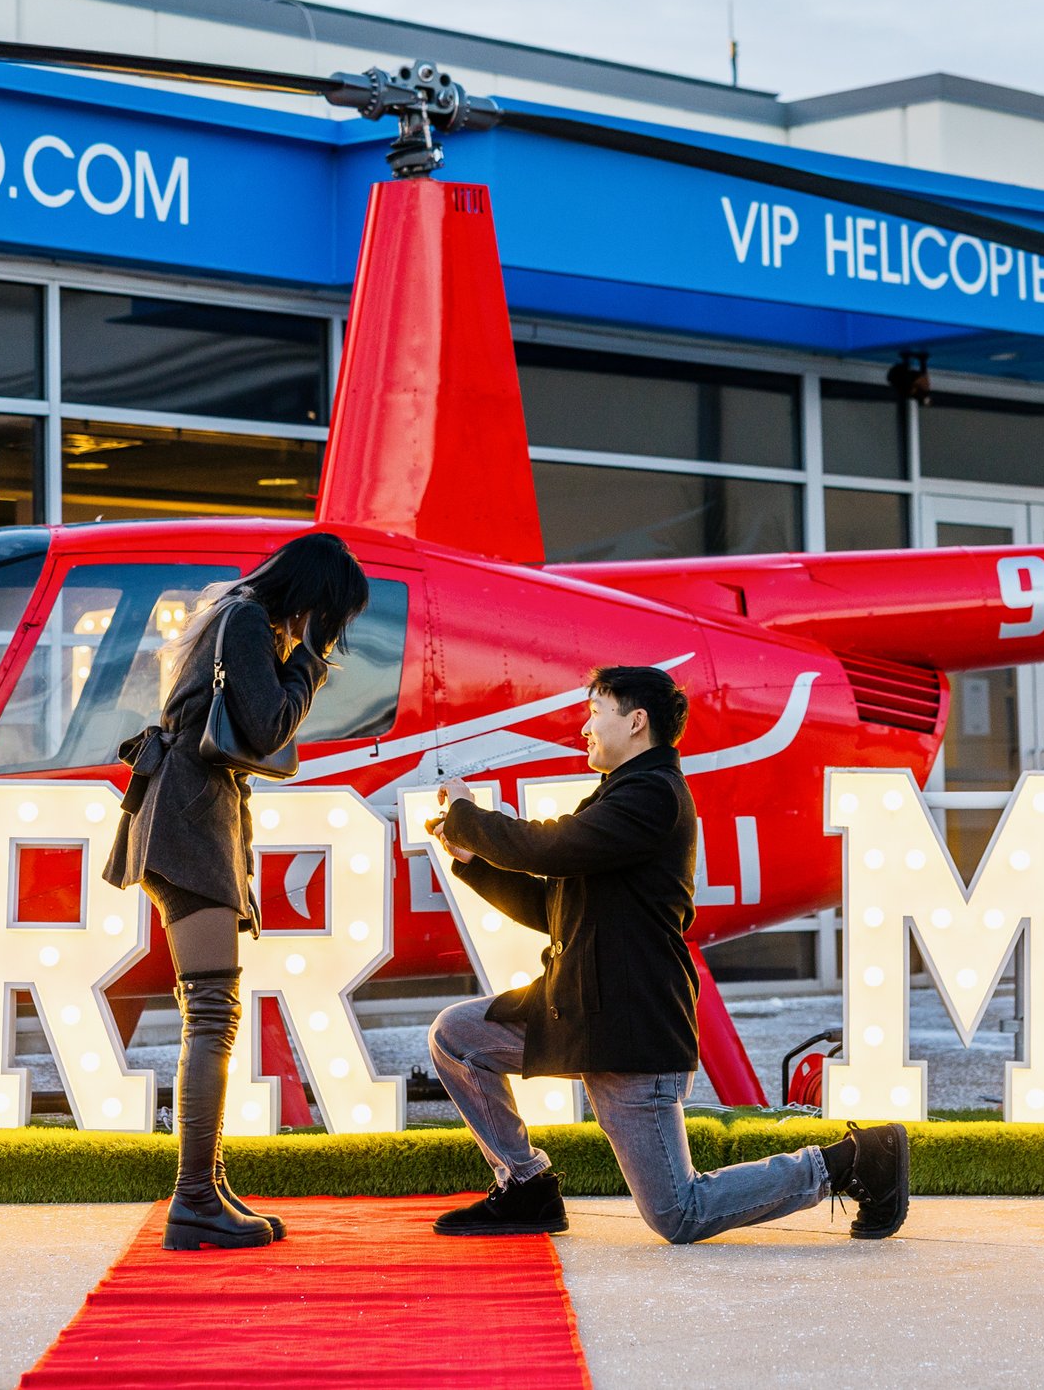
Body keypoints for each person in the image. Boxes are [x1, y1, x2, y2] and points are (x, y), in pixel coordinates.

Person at [425, 664, 910, 1244]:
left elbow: (549, 848)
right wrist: (473, 861)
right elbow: (551, 909)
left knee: (679, 1213)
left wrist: (468, 818)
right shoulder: (618, 796)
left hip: (632, 1028)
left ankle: (852, 1161)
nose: (584, 727)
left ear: (636, 722)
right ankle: (525, 1185)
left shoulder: (653, 795)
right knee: (458, 1036)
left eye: (595, 712)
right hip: (581, 1013)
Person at [105, 530, 369, 1252]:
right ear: (315, 598)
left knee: (208, 1009)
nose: (330, 630)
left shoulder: (226, 612)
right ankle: (194, 1198)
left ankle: (207, 1187)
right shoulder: (249, 619)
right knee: (212, 1010)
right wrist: (308, 659)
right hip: (189, 824)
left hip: (183, 816)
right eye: (333, 616)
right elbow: (268, 726)